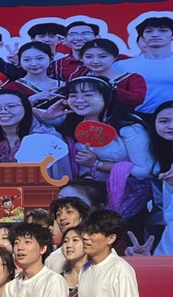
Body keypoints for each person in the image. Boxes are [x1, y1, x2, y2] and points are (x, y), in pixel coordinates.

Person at [40, 77, 156, 221]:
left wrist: (97, 164)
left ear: (107, 97)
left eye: (88, 95)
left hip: (124, 196)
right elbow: (22, 114)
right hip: (83, 196)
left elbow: (147, 170)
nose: (79, 100)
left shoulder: (129, 128)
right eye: (73, 95)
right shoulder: (68, 121)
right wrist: (45, 117)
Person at [115, 16, 173, 114]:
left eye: (163, 31)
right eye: (149, 31)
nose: (155, 35)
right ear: (142, 37)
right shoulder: (121, 66)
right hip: (134, 118)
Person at [0, 90, 72, 180]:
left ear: (26, 108)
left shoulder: (49, 137)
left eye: (11, 106)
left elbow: (61, 175)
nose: (3, 111)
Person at [80, 39, 146, 111]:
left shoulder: (132, 78)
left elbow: (137, 99)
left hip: (123, 120)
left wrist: (107, 88)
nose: (95, 61)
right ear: (81, 58)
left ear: (115, 57)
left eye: (102, 56)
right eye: (89, 57)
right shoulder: (81, 80)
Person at [46, 196, 90, 272]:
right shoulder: (52, 259)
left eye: (69, 212)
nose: (62, 218)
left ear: (81, 217)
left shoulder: (99, 250)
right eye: (58, 214)